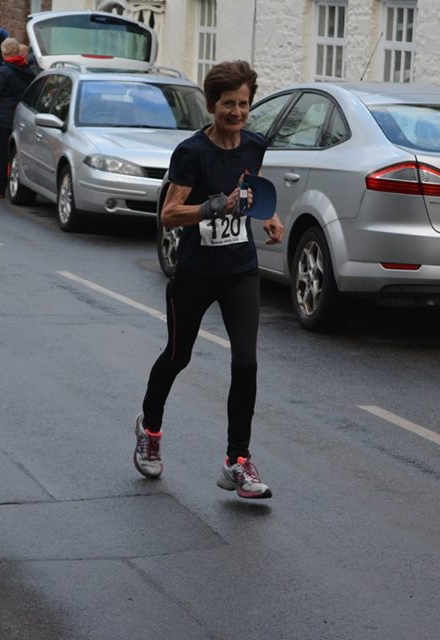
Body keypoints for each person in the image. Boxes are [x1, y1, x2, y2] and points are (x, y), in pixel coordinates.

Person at [133, 60, 285, 500]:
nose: (236, 112)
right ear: (210, 104)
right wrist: (215, 206)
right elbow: (169, 213)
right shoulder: (191, 152)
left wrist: (269, 217)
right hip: (196, 273)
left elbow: (249, 195)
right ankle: (151, 429)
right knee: (178, 356)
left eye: (243, 104)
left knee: (246, 363)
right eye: (227, 104)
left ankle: (236, 462)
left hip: (240, 270)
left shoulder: (255, 145)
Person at [0, 37, 36, 199]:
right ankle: (15, 183)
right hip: (22, 114)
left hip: (4, 115)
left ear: (4, 52)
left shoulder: (4, 70)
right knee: (17, 151)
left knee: (2, 152)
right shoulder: (27, 69)